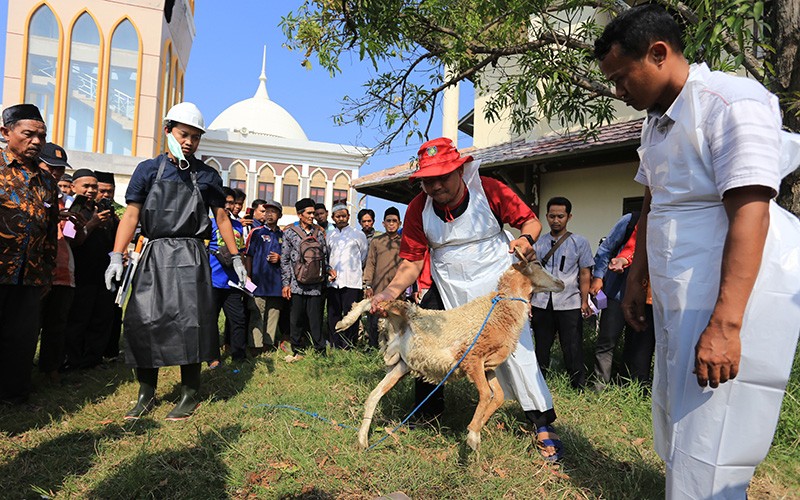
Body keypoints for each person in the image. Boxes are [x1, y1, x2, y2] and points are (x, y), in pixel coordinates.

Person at [595, 5, 800, 498]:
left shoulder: (731, 102)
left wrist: (727, 325)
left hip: (722, 295)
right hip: (677, 292)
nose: (618, 92)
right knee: (678, 404)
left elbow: (751, 209)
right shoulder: (656, 122)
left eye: (622, 78)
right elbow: (653, 201)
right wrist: (639, 276)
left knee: (715, 419)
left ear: (659, 53)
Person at [370, 137, 563, 461]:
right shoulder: (419, 208)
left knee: (518, 352)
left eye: (442, 177)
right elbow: (412, 261)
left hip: (497, 286)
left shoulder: (489, 190)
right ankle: (427, 413)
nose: (435, 187)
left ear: (460, 170)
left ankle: (542, 422)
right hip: (452, 288)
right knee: (429, 341)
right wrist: (390, 291)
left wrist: (527, 240)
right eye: (428, 181)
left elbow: (530, 221)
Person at [104, 102, 246, 421]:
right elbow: (131, 214)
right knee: (144, 319)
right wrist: (116, 254)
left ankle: (189, 393)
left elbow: (221, 217)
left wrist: (235, 256)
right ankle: (145, 393)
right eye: (184, 134)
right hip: (154, 253)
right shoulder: (147, 170)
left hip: (191, 254)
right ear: (168, 130)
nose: (189, 142)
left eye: (195, 137)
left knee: (191, 322)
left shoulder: (208, 175)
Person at [0, 104, 59, 404]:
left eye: (42, 136)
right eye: (29, 134)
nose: (37, 142)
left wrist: (47, 271)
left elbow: (50, 231)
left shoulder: (47, 181)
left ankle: (15, 394)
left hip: (30, 273)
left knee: (21, 338)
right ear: (5, 132)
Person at [530, 197, 594, 389]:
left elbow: (584, 273)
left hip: (570, 302)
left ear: (568, 217)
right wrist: (528, 300)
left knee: (572, 346)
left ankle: (578, 385)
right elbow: (531, 274)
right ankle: (538, 384)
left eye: (560, 216)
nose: (556, 220)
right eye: (552, 216)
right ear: (546, 217)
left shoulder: (579, 242)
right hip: (541, 303)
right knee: (541, 346)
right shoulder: (538, 244)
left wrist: (584, 301)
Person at [589, 212, 655, 391]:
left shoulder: (668, 222)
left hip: (647, 298)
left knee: (639, 344)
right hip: (616, 294)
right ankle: (599, 388)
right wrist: (598, 277)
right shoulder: (631, 220)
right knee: (607, 341)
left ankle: (632, 388)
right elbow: (605, 249)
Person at [63, 169, 119, 370]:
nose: (90, 190)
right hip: (81, 275)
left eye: (93, 186)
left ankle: (92, 359)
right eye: (85, 186)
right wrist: (93, 223)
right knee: (78, 319)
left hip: (103, 276)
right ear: (73, 187)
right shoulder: (73, 211)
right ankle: (73, 361)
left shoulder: (103, 210)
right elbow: (71, 240)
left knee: (101, 318)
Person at [36, 142, 79, 384]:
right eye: (50, 167)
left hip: (62, 271)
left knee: (56, 325)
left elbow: (74, 239)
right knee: (27, 326)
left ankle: (50, 371)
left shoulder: (66, 202)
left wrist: (82, 225)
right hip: (34, 272)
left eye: (60, 169)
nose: (56, 173)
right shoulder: (26, 193)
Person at [281, 198, 332, 358]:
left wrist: (329, 270)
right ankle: (297, 348)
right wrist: (286, 283)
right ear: (299, 215)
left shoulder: (319, 233)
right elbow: (285, 259)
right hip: (296, 283)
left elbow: (324, 257)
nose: (312, 216)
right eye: (309, 213)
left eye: (313, 213)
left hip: (316, 283)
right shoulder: (289, 233)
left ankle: (320, 349)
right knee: (295, 317)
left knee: (316, 318)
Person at [207, 192, 248, 364]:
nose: (228, 206)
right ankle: (212, 356)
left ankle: (239, 356)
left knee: (238, 320)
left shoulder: (238, 226)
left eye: (231, 203)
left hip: (232, 283)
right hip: (212, 281)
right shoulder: (208, 224)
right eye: (225, 202)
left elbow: (242, 252)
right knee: (211, 321)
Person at [245, 200, 286, 353]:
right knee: (257, 313)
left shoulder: (284, 235)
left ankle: (268, 345)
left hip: (276, 284)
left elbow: (289, 258)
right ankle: (255, 346)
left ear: (279, 215)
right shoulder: (256, 232)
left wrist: (280, 258)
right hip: (257, 282)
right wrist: (248, 276)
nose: (269, 214)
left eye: (273, 212)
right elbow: (248, 256)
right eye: (266, 211)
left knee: (273, 313)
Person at [326, 202, 368, 348]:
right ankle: (334, 343)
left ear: (349, 217)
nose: (341, 219)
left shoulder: (358, 234)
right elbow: (328, 255)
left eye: (344, 216)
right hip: (333, 282)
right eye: (338, 216)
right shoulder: (330, 235)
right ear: (333, 218)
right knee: (333, 314)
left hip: (352, 281)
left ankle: (349, 344)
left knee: (351, 314)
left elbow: (363, 256)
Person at [362, 207, 402, 349]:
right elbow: (370, 263)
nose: (391, 223)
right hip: (378, 289)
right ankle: (374, 348)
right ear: (383, 223)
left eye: (394, 221)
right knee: (374, 320)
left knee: (395, 322)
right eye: (388, 221)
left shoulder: (404, 242)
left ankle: (394, 350)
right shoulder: (376, 242)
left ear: (400, 223)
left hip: (398, 291)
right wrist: (368, 285)